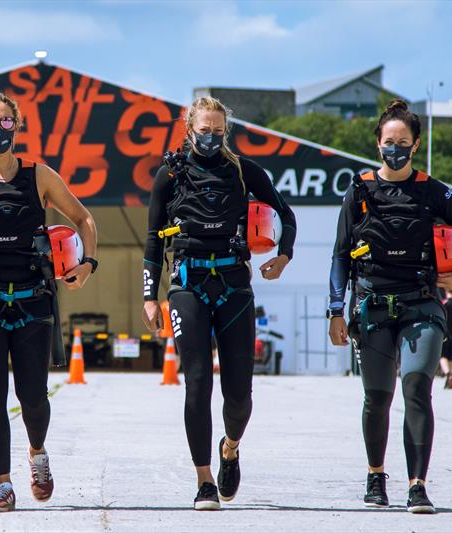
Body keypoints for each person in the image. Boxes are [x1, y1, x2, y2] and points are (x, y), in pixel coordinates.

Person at [0, 91, 97, 512]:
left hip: (33, 301)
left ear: (17, 126)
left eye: (6, 122)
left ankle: (38, 452)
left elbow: (84, 219)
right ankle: (3, 486)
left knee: (33, 396)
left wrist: (87, 263)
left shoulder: (39, 176)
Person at [327, 99, 452, 513]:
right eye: (388, 141)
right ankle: (376, 475)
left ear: (415, 145)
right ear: (378, 143)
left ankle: (418, 486)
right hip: (372, 307)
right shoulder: (358, 190)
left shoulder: (434, 191)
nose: (395, 148)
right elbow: (340, 255)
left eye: (403, 142)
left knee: (416, 388)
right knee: (376, 397)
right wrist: (335, 310)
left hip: (422, 305)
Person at [141, 96, 296, 510]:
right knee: (197, 382)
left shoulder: (244, 171)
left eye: (217, 131)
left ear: (225, 131)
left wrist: (284, 255)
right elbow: (154, 237)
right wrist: (149, 295)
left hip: (234, 287)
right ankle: (204, 481)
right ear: (189, 128)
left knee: (239, 393)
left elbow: (286, 214)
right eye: (203, 130)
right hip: (187, 286)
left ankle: (230, 448)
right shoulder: (169, 174)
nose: (210, 138)